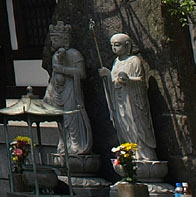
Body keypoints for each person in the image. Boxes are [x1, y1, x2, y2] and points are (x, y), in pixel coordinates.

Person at [101, 33, 158, 161]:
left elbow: (141, 81)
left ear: (127, 45)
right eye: (112, 46)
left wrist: (128, 80)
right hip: (120, 100)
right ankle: (129, 153)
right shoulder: (116, 62)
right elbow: (114, 81)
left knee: (136, 126)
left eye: (117, 45)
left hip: (133, 101)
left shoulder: (134, 61)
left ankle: (142, 154)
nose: (114, 48)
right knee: (124, 126)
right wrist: (107, 75)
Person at [43, 36, 91, 158]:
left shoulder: (74, 54)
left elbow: (81, 73)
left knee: (72, 116)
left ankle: (77, 144)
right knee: (61, 120)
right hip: (59, 90)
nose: (53, 42)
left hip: (71, 89)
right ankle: (64, 143)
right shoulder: (56, 56)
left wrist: (63, 69)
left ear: (64, 40)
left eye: (56, 39)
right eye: (52, 39)